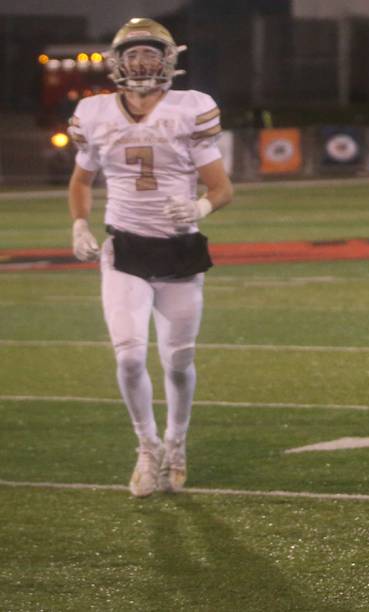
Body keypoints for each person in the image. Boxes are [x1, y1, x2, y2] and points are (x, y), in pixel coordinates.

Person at [67, 18, 233, 497]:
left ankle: (176, 443)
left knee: (178, 362)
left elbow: (222, 187)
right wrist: (80, 222)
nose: (142, 63)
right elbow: (81, 181)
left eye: (150, 54)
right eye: (134, 54)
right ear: (118, 62)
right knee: (130, 358)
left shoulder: (191, 108)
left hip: (179, 248)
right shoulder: (94, 113)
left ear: (169, 60)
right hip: (126, 247)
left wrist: (201, 204)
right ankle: (147, 446)